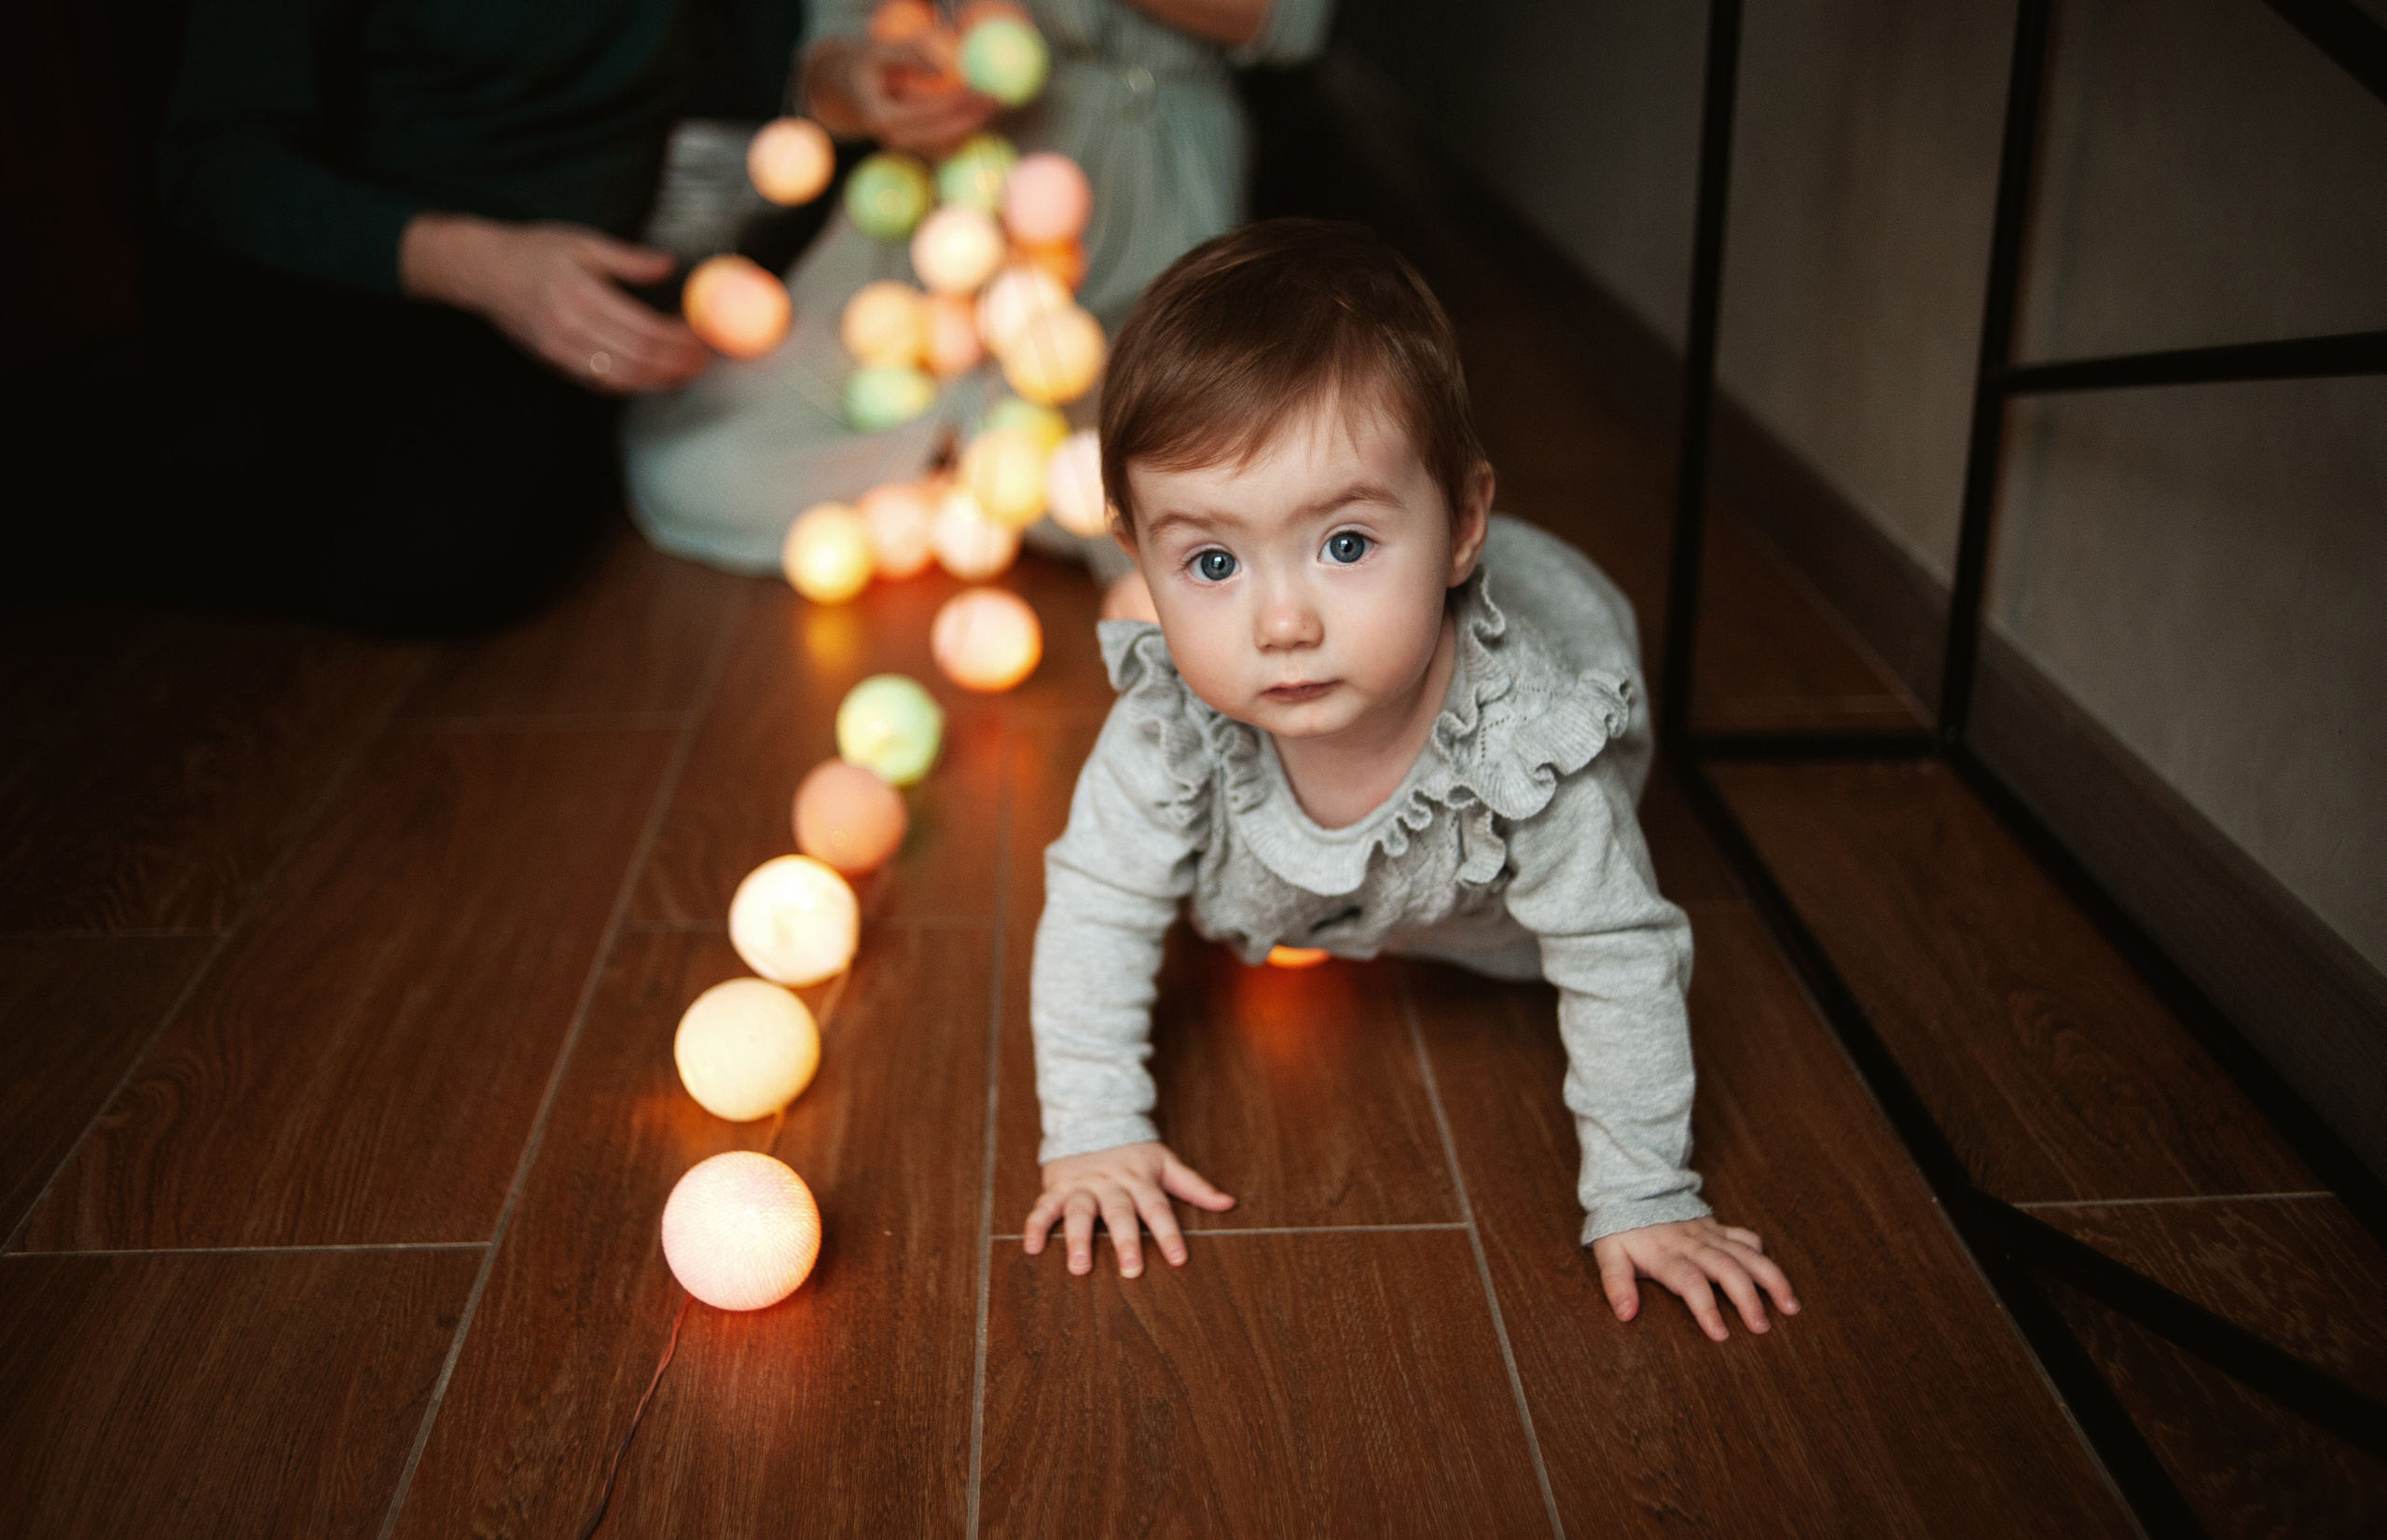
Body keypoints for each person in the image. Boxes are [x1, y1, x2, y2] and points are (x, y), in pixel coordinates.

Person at [1020, 221, 1802, 1341]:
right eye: (1210, 562)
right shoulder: (1169, 730)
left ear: (1467, 525)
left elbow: (1618, 956)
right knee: (1159, 858)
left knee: (1579, 894)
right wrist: (1094, 1126)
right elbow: (1098, 900)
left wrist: (1645, 1194)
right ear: (1140, 563)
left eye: (1344, 544)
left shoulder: (1532, 750)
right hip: (1320, 876)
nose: (1281, 622)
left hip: (1502, 844)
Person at [78, 0, 807, 632]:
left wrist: (830, 99)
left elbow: (746, 94)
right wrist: (477, 266)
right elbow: (210, 164)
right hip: (333, 249)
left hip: (550, 290)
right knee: (224, 456)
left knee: (450, 553)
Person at [621, 0, 1332, 578]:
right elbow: (825, 66)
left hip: (1137, 189)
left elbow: (1291, 21)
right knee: (694, 460)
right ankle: (981, 459)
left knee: (1188, 479)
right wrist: (866, 85)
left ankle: (987, 456)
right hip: (932, 213)